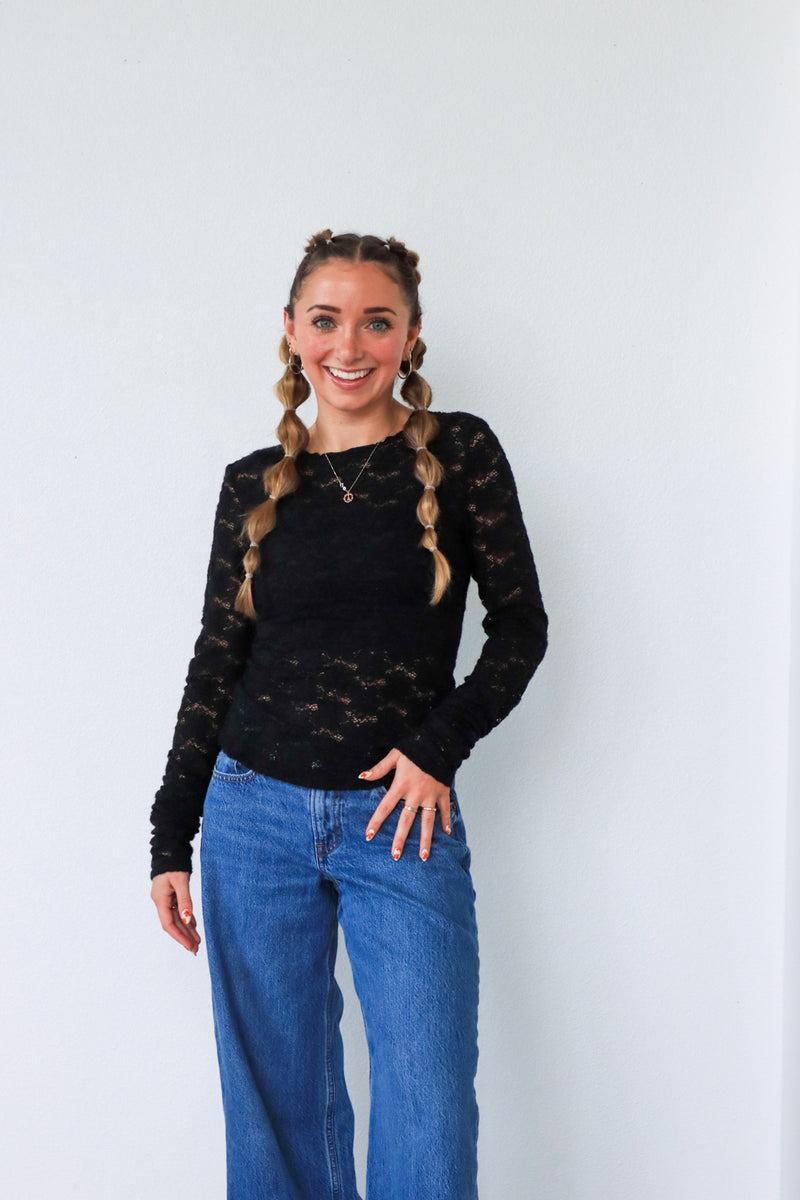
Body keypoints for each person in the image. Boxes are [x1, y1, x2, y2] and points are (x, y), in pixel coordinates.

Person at [149, 230, 548, 1200]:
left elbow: (520, 628)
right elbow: (216, 660)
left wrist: (435, 748)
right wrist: (171, 833)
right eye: (325, 320)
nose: (350, 345)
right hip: (251, 817)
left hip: (399, 819)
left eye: (378, 321)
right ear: (290, 334)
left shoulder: (456, 453)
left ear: (410, 337)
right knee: (275, 1111)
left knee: (426, 1106)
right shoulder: (252, 484)